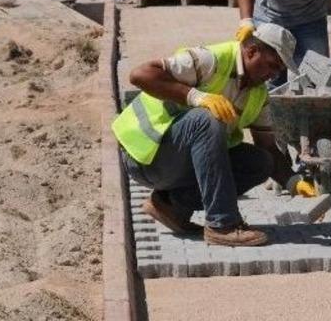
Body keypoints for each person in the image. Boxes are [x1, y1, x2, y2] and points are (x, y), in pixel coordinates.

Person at [111, 24, 317, 247]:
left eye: (278, 70)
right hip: (145, 157)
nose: (273, 74)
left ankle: (169, 205)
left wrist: (293, 181)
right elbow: (140, 75)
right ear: (251, 51)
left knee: (259, 162)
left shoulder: (259, 95)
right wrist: (195, 96)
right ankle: (222, 225)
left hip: (177, 165)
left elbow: (267, 148)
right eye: (271, 65)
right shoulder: (211, 60)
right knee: (207, 118)